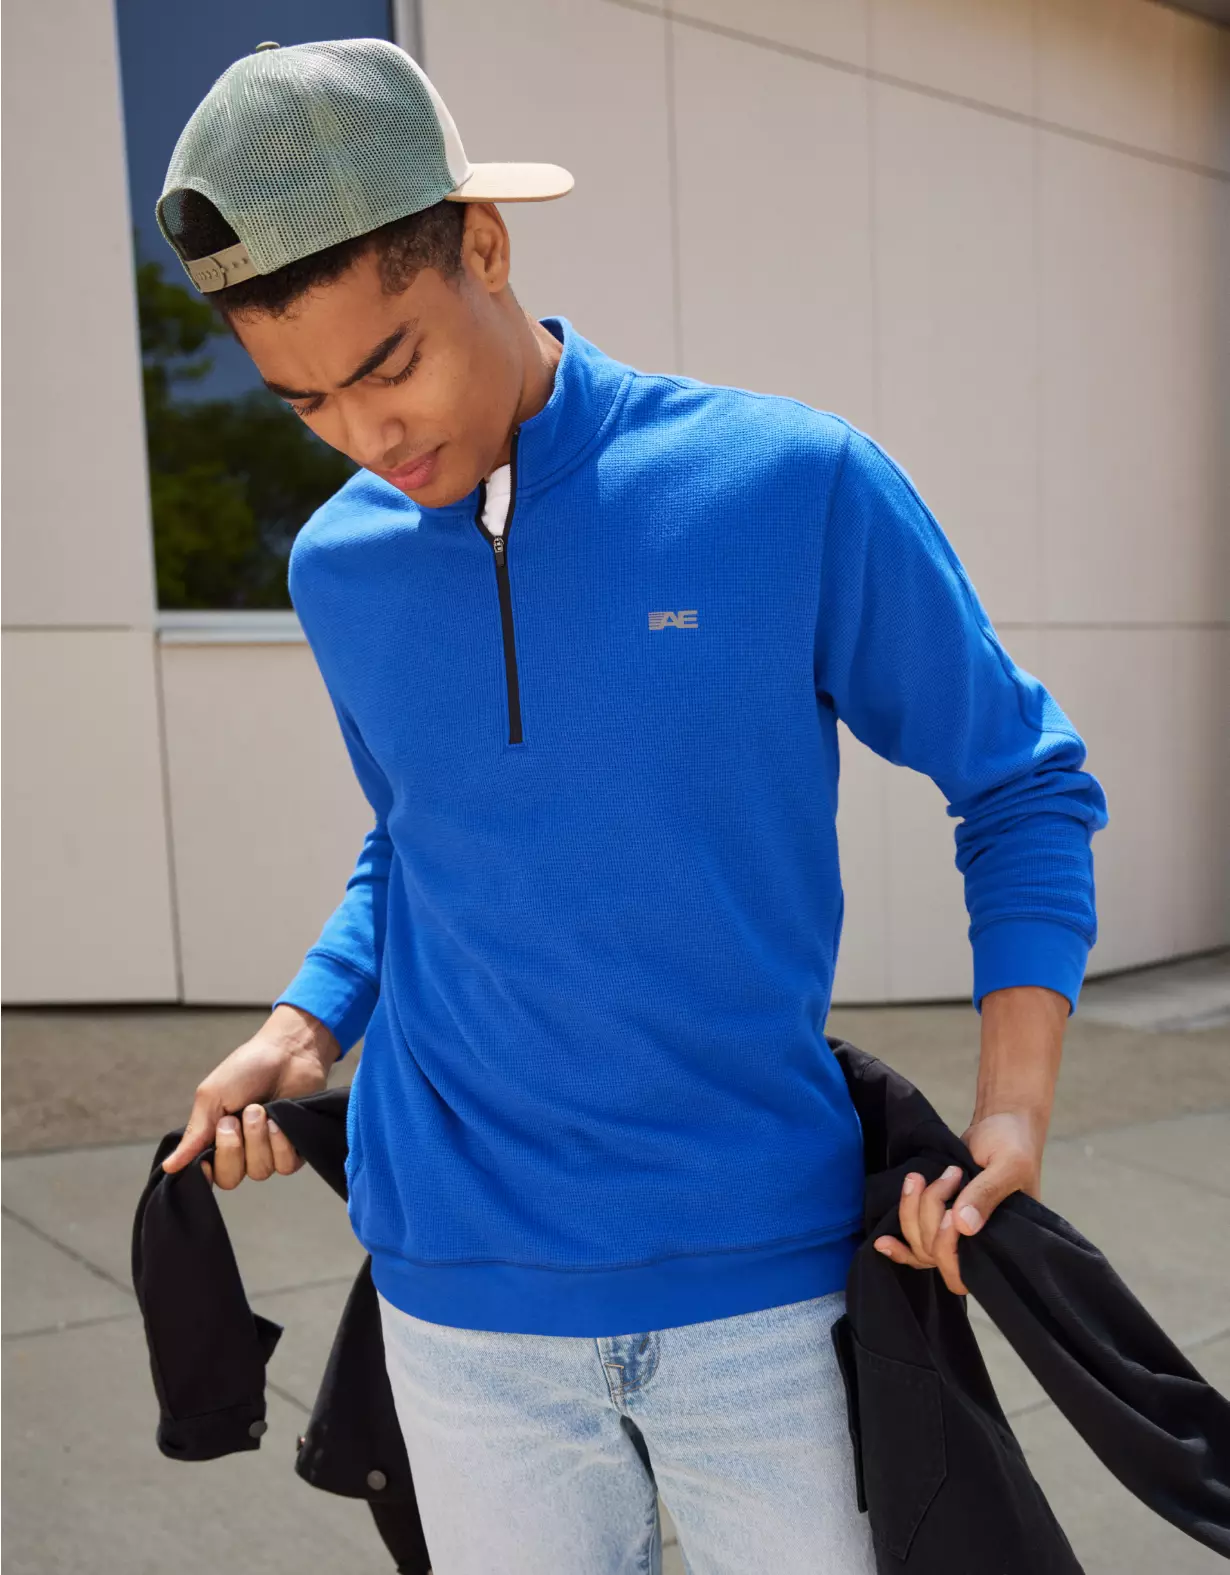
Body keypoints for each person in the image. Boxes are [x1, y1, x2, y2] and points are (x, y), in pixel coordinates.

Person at [156, 37, 1108, 1575]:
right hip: (457, 1300)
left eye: (388, 365)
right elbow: (418, 837)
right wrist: (305, 1019)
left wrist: (1010, 1107)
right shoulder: (340, 567)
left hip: (763, 1284)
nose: (366, 438)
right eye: (304, 401)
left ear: (482, 247)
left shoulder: (784, 484)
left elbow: (1019, 779)